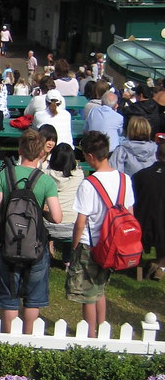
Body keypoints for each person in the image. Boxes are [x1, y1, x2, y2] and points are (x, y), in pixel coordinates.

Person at [0, 129, 63, 334]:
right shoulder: (46, 181)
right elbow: (57, 217)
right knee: (33, 298)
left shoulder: (6, 175)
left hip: (9, 242)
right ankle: (28, 335)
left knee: (9, 296)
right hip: (36, 244)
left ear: (20, 149)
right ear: (42, 153)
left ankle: (9, 336)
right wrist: (43, 213)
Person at [66, 131, 135, 337]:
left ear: (89, 156)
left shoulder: (89, 184)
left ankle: (91, 333)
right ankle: (102, 326)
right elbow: (129, 213)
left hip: (91, 242)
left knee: (88, 293)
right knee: (100, 289)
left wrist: (74, 245)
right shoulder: (124, 179)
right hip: (114, 243)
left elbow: (81, 221)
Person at [45, 143, 85, 265]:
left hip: (48, 225)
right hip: (72, 226)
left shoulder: (44, 174)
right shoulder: (79, 175)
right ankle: (67, 258)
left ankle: (46, 254)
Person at [132, 134, 165, 280]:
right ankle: (161, 266)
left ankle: (140, 267)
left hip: (141, 227)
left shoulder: (140, 175)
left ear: (156, 154)